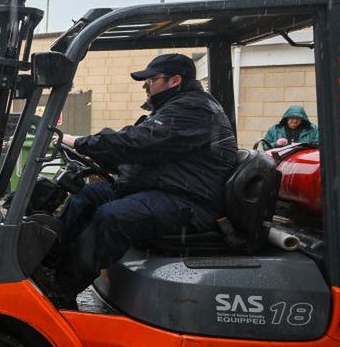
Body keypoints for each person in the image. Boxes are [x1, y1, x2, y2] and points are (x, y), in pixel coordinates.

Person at [47, 53, 239, 305]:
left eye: (151, 79)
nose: (146, 85)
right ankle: (48, 268)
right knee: (87, 195)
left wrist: (81, 142)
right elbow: (144, 152)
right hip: (163, 190)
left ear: (175, 80)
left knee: (112, 216)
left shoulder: (193, 108)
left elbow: (137, 141)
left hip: (190, 203)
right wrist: (99, 156)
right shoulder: (174, 108)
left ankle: (61, 291)